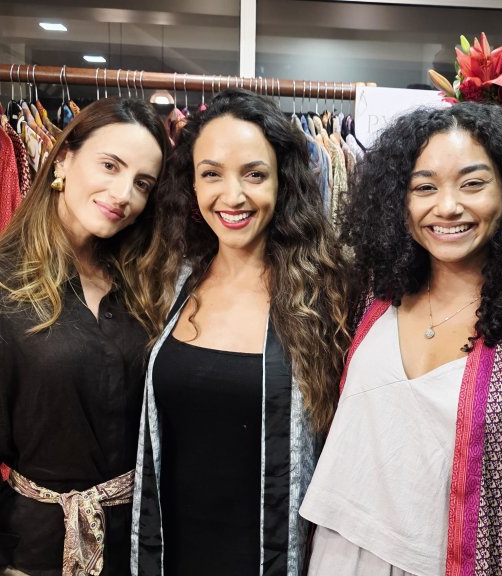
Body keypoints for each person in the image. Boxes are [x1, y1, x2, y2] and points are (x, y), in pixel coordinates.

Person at [300, 103, 502, 575]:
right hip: (341, 553)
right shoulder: (376, 293)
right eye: (424, 187)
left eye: (472, 184)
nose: (446, 207)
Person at [0, 97, 171, 576]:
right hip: (36, 550)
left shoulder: (148, 288)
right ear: (62, 159)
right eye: (110, 165)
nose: (123, 194)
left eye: (143, 183)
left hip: (144, 544)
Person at [131, 88, 351, 575]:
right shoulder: (169, 281)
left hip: (274, 557)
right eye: (212, 174)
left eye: (254, 174)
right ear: (191, 182)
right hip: (173, 553)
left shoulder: (328, 293)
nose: (232, 197)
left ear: (282, 181)